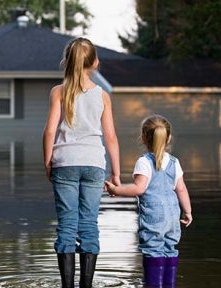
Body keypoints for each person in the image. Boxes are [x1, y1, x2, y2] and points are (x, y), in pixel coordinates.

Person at [42, 37, 120, 288]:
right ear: (95, 63)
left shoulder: (58, 91)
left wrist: (48, 161)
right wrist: (116, 173)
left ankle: (67, 286)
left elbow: (49, 131)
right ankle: (87, 285)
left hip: (64, 161)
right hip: (94, 163)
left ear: (66, 62)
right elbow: (110, 137)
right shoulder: (103, 95)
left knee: (67, 223)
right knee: (88, 223)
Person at [105, 115, 192, 288]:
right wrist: (188, 211)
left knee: (153, 249)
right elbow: (181, 189)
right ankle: (169, 284)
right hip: (173, 216)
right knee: (170, 248)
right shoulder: (174, 162)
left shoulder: (144, 162)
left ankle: (153, 284)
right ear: (168, 138)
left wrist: (116, 190)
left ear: (144, 137)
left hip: (154, 216)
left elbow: (139, 188)